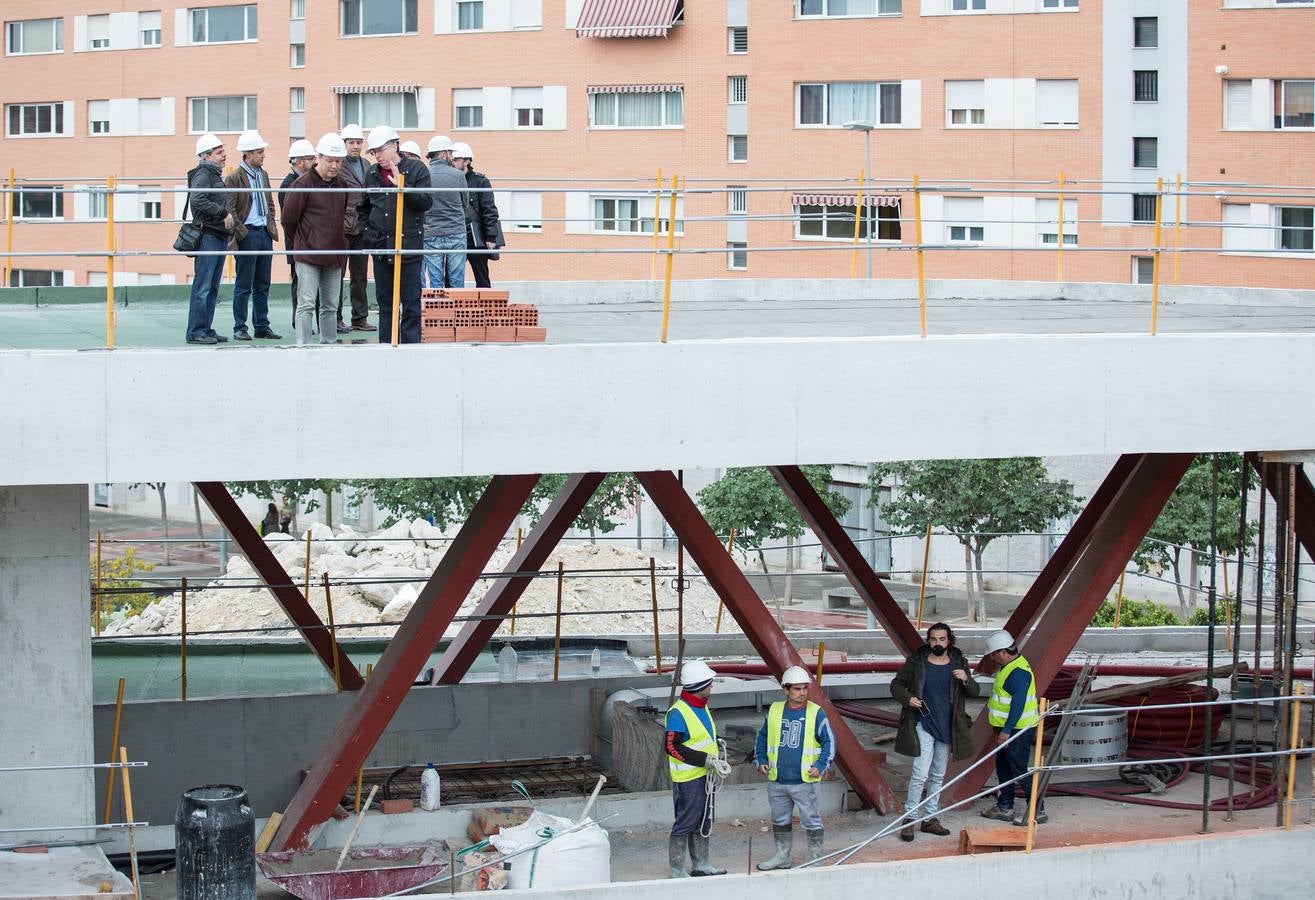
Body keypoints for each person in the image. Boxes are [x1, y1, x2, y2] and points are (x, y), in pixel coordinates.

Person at [890, 622, 981, 841]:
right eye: (933, 639)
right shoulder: (917, 662)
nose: (937, 643)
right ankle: (910, 818)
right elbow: (896, 685)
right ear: (928, 641)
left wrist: (966, 679)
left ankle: (930, 818)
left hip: (947, 726)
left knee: (938, 774)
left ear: (949, 640)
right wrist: (908, 698)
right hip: (923, 723)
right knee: (920, 773)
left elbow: (975, 692)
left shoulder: (958, 663)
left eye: (941, 639)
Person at [753, 665, 834, 870]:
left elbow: (829, 742)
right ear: (786, 690)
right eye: (797, 689)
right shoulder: (775, 710)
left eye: (804, 688)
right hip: (778, 779)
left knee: (812, 821)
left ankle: (815, 859)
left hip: (804, 780)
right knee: (779, 820)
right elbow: (762, 737)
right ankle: (782, 857)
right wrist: (760, 759)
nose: (802, 693)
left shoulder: (816, 713)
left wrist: (821, 765)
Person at [358, 125, 431, 344]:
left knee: (410, 303)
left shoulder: (417, 169)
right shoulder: (371, 174)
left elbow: (426, 202)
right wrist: (367, 234)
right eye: (374, 152)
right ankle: (386, 345)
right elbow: (364, 207)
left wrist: (404, 186)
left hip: (409, 247)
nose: (378, 156)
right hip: (381, 247)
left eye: (381, 150)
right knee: (386, 303)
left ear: (395, 146)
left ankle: (410, 347)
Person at [281, 133, 351, 345]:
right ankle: (302, 345)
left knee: (330, 305)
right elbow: (288, 220)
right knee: (306, 303)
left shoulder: (342, 185)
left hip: (334, 253)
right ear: (319, 157)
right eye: (330, 160)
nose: (334, 166)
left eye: (338, 161)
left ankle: (328, 344)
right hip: (309, 254)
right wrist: (304, 242)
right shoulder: (302, 184)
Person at [664, 660, 729, 878]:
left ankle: (701, 864)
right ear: (699, 686)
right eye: (709, 684)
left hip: (705, 775)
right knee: (686, 822)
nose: (712, 687)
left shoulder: (700, 706)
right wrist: (705, 759)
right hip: (689, 778)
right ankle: (676, 869)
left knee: (703, 821)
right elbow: (672, 746)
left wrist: (716, 742)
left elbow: (699, 736)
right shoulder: (678, 712)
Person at [979, 629, 1046, 826]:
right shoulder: (1011, 667)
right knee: (1004, 767)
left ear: (1001, 652)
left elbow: (1017, 705)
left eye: (992, 655)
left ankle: (1038, 810)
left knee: (1019, 770)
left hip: (1017, 731)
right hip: (1006, 729)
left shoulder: (1017, 673)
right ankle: (1005, 806)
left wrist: (1007, 730)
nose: (992, 659)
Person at [224, 130, 282, 341]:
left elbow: (269, 203)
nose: (263, 155)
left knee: (262, 283)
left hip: (264, 234)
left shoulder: (262, 175)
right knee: (243, 284)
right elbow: (230, 207)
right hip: (248, 235)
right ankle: (240, 327)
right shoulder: (234, 178)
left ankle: (261, 326)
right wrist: (242, 231)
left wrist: (270, 223)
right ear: (248, 154)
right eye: (259, 152)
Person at [184, 133, 233, 345]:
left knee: (211, 287)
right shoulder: (204, 174)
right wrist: (222, 214)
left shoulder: (212, 174)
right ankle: (196, 331)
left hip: (217, 236)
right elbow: (197, 198)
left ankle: (205, 328)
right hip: (209, 236)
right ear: (206, 156)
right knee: (204, 286)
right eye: (219, 152)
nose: (224, 156)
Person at [337, 123, 374, 333]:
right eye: (351, 142)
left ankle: (360, 318)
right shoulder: (337, 166)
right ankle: (336, 318)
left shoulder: (367, 164)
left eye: (359, 142)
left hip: (361, 227)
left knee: (360, 276)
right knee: (337, 275)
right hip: (343, 227)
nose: (355, 146)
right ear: (344, 144)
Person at [451, 142, 504, 288]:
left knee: (482, 279)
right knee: (450, 281)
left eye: (456, 159)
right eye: (451, 159)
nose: (452, 163)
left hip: (476, 239)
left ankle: (487, 310)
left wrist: (491, 237)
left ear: (467, 161)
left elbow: (490, 210)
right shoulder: (449, 180)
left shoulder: (481, 181)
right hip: (455, 237)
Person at [279, 139, 317, 330]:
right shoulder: (288, 185)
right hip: (298, 243)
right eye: (310, 159)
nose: (314, 162)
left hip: (311, 241)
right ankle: (300, 322)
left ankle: (310, 321)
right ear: (299, 161)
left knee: (311, 284)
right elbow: (290, 220)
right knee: (300, 283)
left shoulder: (310, 181)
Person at [422, 135, 467, 289]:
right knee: (457, 282)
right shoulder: (459, 175)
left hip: (431, 234)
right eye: (450, 153)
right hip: (456, 232)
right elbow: (465, 204)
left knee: (436, 283)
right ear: (443, 154)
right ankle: (456, 312)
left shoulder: (423, 175)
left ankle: (437, 312)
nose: (452, 156)